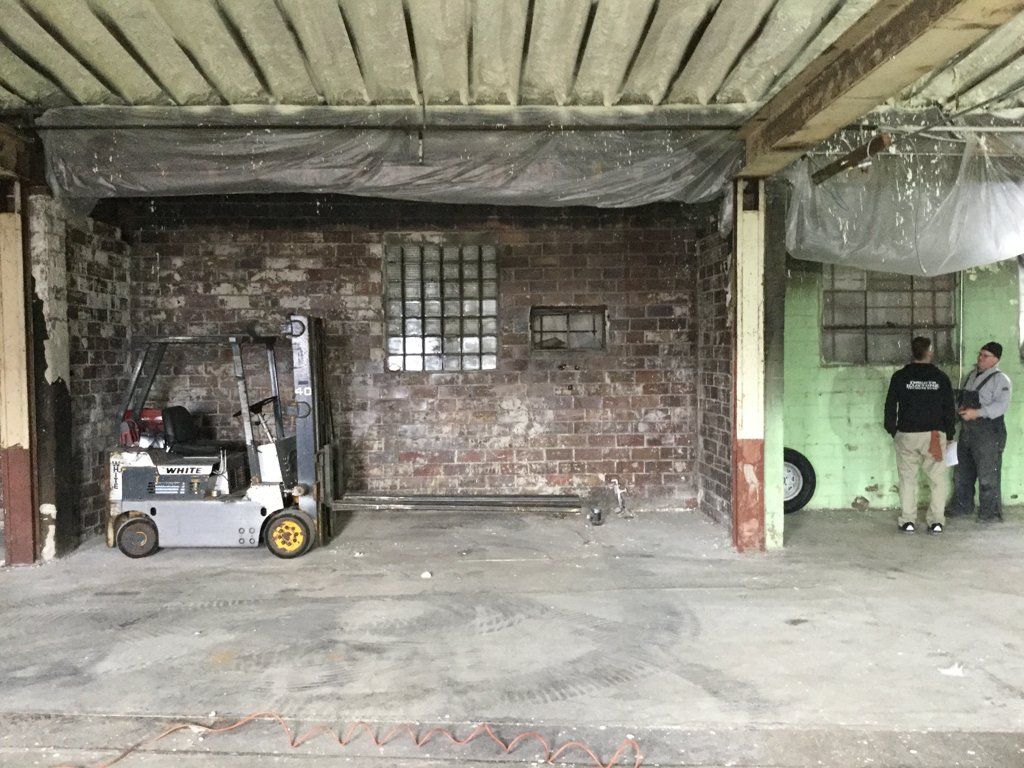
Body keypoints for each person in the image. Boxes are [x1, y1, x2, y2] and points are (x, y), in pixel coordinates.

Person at [884, 336, 956, 534]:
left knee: (908, 479)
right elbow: (949, 408)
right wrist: (949, 434)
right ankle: (936, 522)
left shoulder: (900, 377)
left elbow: (890, 406)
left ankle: (907, 521)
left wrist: (893, 430)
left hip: (907, 434)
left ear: (912, 352)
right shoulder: (940, 377)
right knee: (937, 479)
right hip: (934, 435)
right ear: (929, 352)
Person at [948, 341, 1013, 522]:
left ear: (996, 359)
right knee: (962, 472)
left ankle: (990, 513)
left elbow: (1001, 406)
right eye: (980, 354)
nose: (980, 358)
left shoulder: (1001, 380)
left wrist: (977, 413)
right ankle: (962, 506)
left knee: (988, 475)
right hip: (968, 431)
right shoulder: (971, 376)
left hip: (989, 434)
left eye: (985, 356)